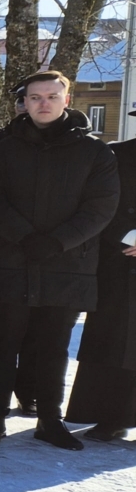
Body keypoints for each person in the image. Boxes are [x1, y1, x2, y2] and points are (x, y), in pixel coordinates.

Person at [0, 71, 120, 448]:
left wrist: (57, 241)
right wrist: (23, 237)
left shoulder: (95, 151)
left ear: (67, 100)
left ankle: (49, 420)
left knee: (53, 348)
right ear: (24, 101)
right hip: (9, 260)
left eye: (52, 97)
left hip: (66, 264)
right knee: (1, 344)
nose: (43, 104)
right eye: (35, 97)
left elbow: (101, 207)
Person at [69, 104, 136, 441]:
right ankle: (109, 417)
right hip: (119, 260)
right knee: (112, 342)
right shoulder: (116, 155)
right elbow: (98, 204)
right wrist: (128, 235)